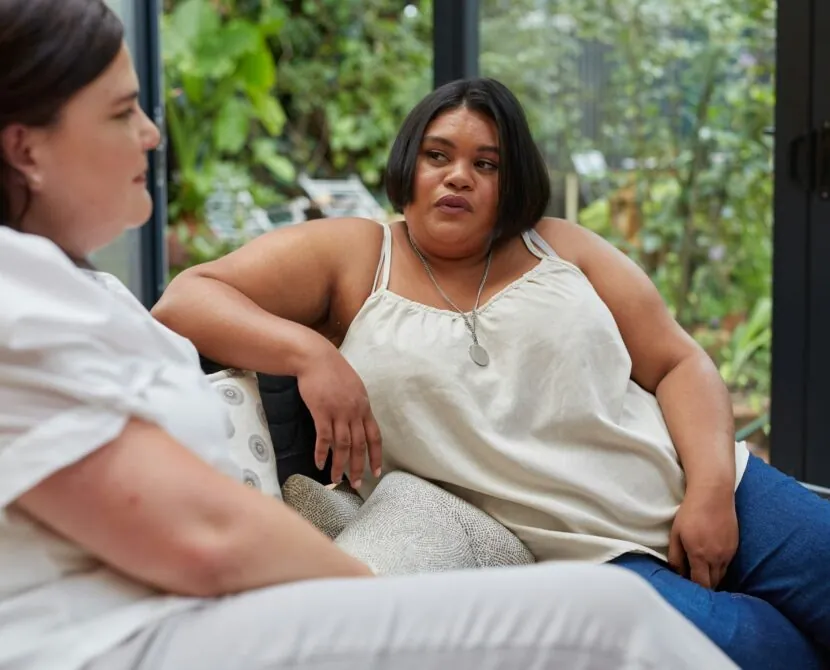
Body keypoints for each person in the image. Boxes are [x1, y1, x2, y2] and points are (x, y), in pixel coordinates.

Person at [0, 1, 742, 669]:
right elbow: (204, 534)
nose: (153, 132)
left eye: (486, 164)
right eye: (123, 112)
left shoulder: (76, 288)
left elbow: (677, 358)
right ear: (26, 149)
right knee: (612, 619)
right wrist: (376, 600)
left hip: (195, 613)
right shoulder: (15, 298)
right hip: (129, 640)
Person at [155, 70, 830, 667]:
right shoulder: (356, 256)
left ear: (512, 183)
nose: (458, 176)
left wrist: (710, 491)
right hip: (586, 558)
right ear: (408, 166)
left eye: (487, 164)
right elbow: (185, 300)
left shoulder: (561, 247)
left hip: (718, 487)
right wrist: (310, 352)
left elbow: (681, 362)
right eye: (438, 155)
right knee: (771, 653)